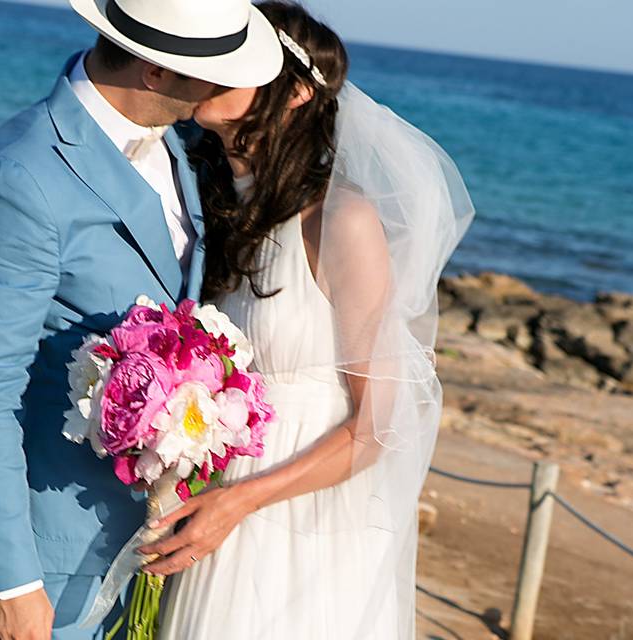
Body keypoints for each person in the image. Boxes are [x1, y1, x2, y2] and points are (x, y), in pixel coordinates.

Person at [133, 3, 475, 638]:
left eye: (240, 59)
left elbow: (376, 427)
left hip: (293, 526)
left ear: (293, 93)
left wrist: (239, 504)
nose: (214, 66)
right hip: (207, 503)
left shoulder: (338, 222)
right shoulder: (206, 205)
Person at [0, 0, 282, 637]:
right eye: (211, 70)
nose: (221, 87)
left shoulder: (182, 147)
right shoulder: (21, 174)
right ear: (156, 73)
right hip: (63, 556)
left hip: (169, 544)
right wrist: (13, 580)